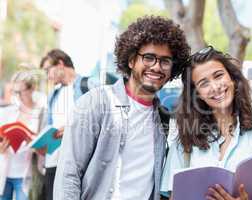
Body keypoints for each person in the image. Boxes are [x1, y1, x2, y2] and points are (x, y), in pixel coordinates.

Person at [53, 16, 190, 200]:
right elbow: (68, 176)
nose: (157, 67)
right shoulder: (96, 103)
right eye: (149, 58)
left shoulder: (162, 118)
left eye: (165, 61)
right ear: (132, 60)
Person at [160, 46, 252, 200]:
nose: (215, 87)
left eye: (218, 75)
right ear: (197, 94)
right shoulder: (184, 143)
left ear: (233, 78)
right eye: (204, 83)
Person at [39, 49, 98, 200]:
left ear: (60, 64)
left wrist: (72, 129)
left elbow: (101, 122)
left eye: (48, 70)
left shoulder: (89, 85)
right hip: (53, 162)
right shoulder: (53, 94)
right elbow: (50, 127)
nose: (47, 76)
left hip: (79, 165)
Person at [0, 70, 47, 200]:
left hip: (26, 175)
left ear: (32, 88)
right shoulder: (8, 111)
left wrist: (35, 144)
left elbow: (45, 149)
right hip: (5, 172)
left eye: (21, 91)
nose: (18, 96)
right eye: (15, 92)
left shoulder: (41, 113)